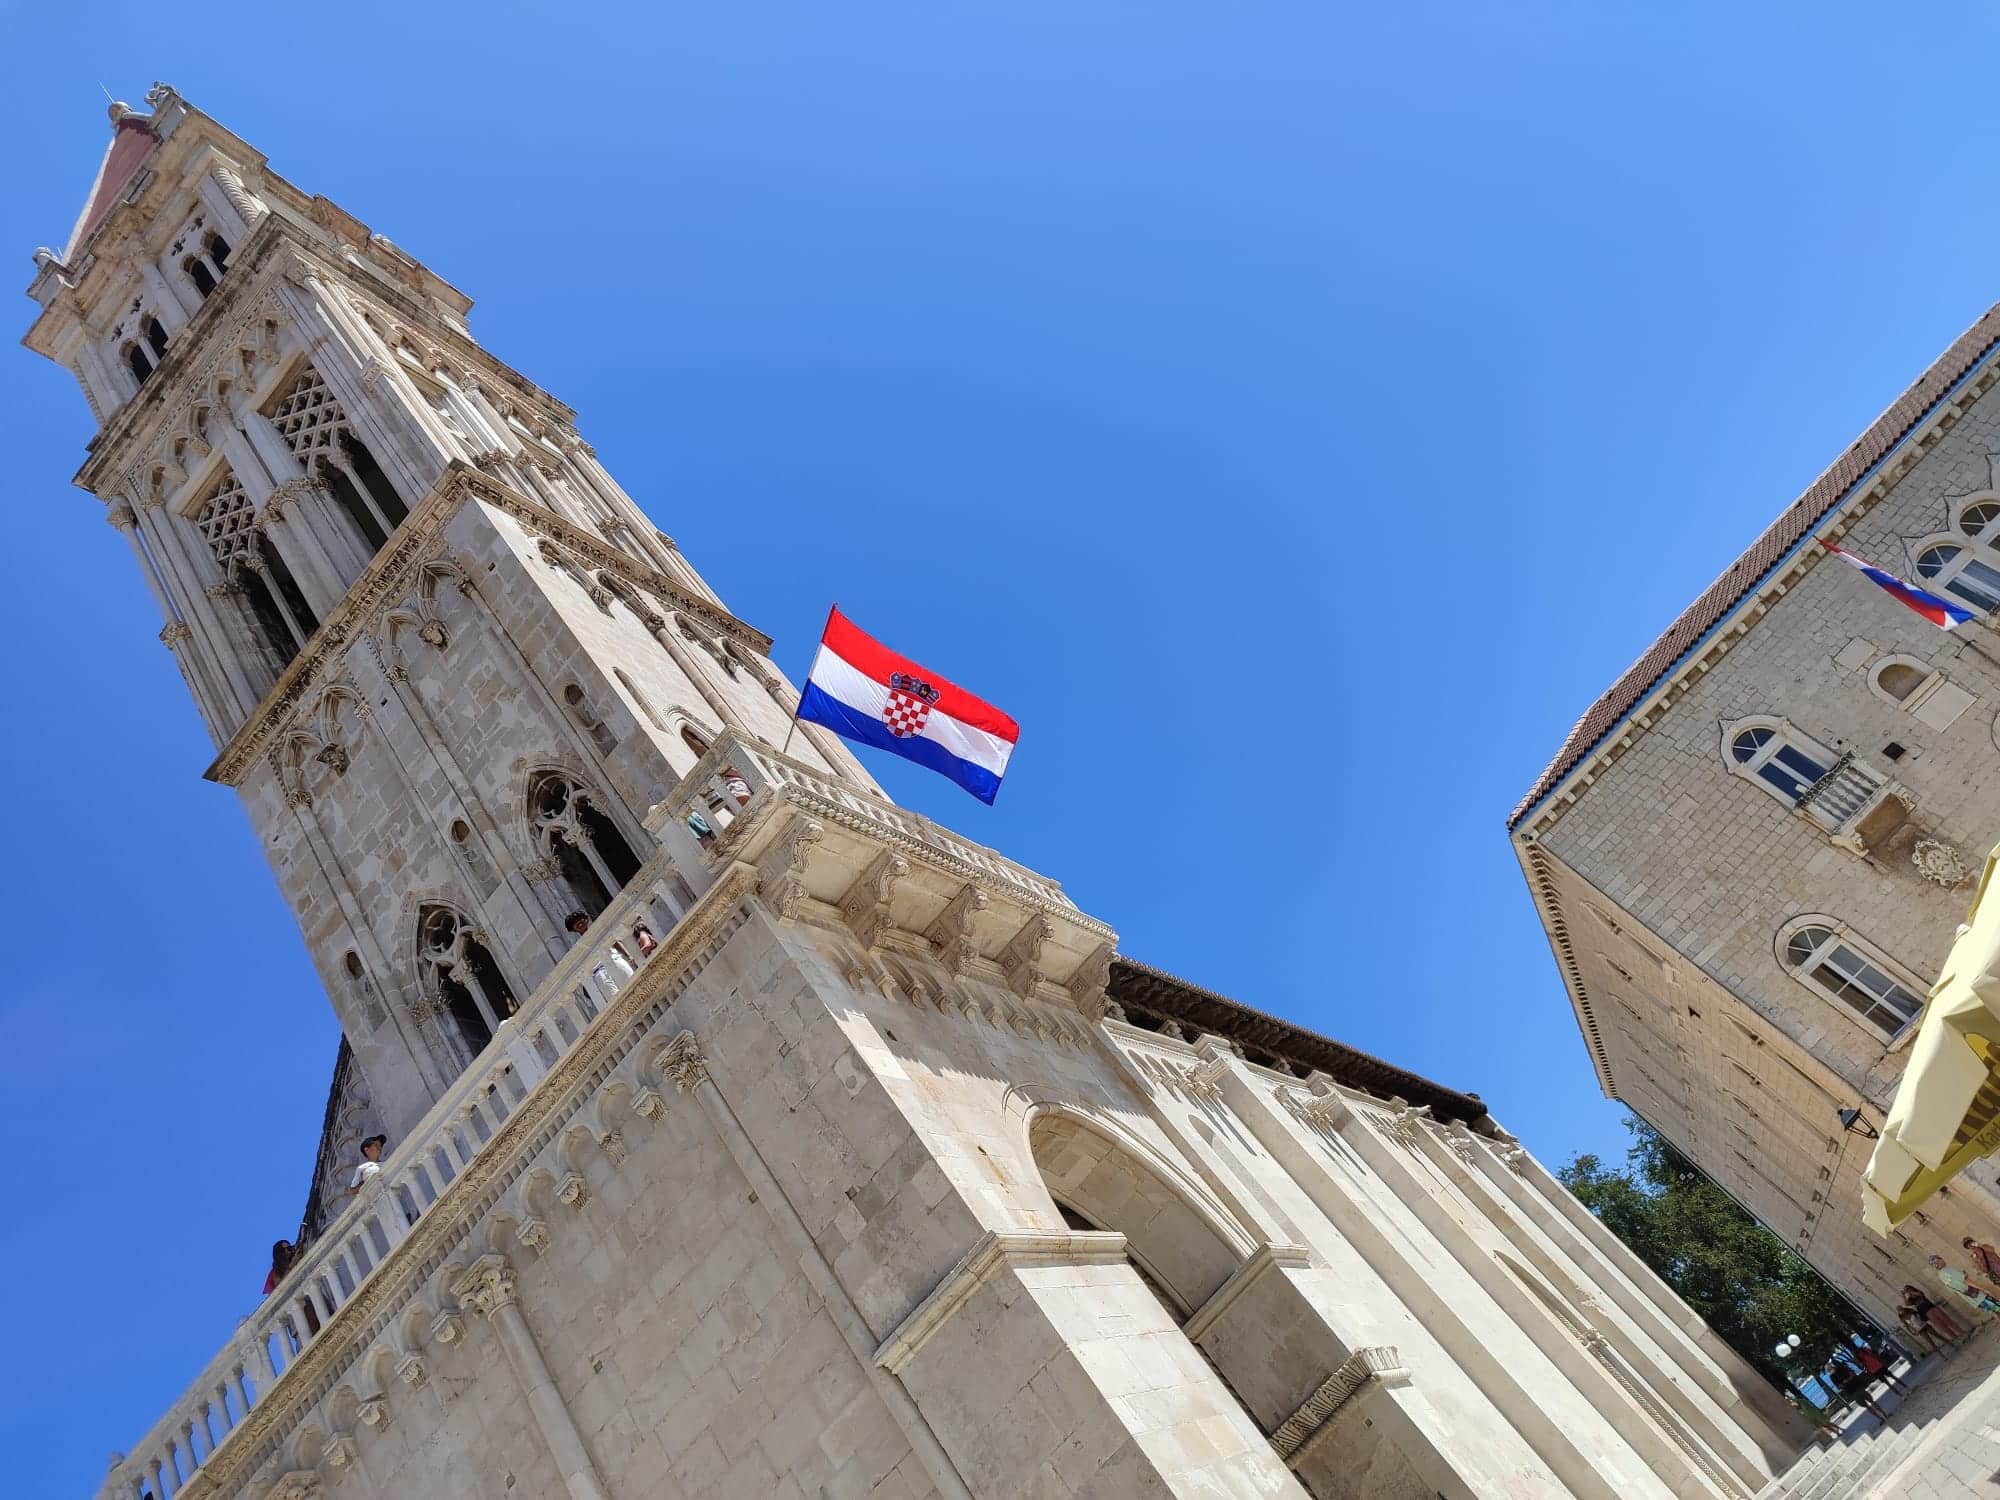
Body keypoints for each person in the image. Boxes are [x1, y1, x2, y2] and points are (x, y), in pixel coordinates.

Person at [1929, 1254, 2000, 1314]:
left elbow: (1955, 1288)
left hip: (1971, 1299)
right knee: (1998, 1308)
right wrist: (1983, 1289)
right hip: (1979, 1295)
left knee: (1995, 1311)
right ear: (1940, 1260)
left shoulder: (1941, 1276)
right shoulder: (1948, 1270)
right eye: (1939, 1260)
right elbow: (1965, 1281)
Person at [1897, 1288, 1952, 1353]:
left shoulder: (1911, 1311)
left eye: (1901, 1309)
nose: (1901, 1311)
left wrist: (1925, 1320)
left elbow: (1919, 1314)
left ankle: (1952, 1344)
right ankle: (1943, 1356)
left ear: (1903, 1308)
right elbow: (1907, 1326)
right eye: (1899, 1311)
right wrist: (1913, 1332)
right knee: (1931, 1343)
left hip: (1924, 1325)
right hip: (1919, 1330)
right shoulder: (1902, 1318)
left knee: (1937, 1335)